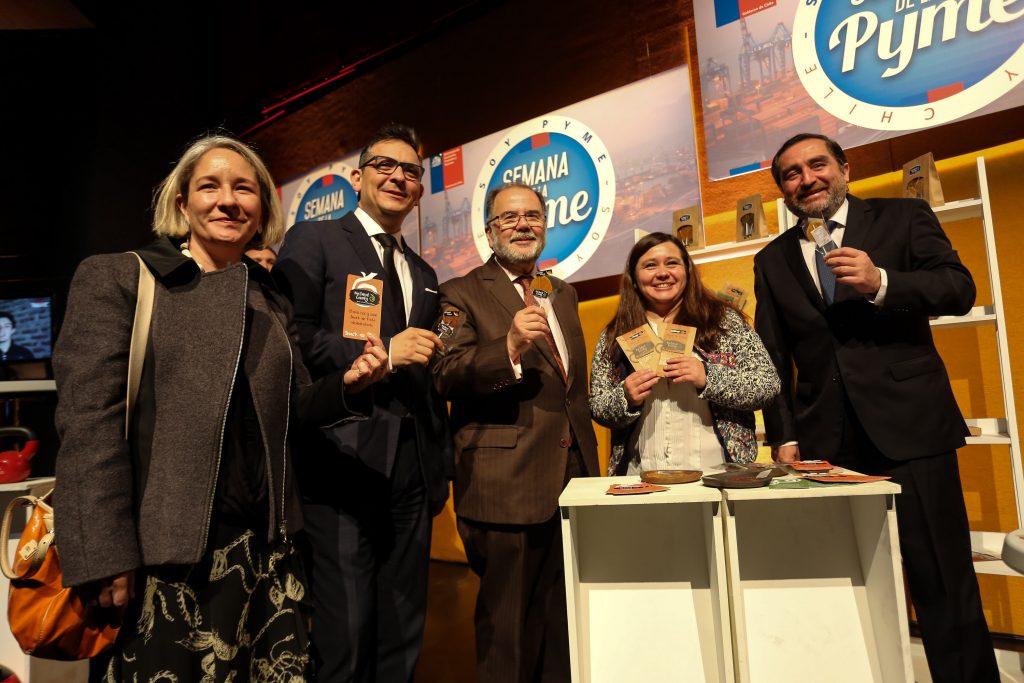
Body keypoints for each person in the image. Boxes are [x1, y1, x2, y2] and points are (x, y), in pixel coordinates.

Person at [52, 135, 390, 681]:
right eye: (210, 186)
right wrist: (105, 553)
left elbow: (294, 408)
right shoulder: (119, 277)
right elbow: (89, 428)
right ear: (182, 203)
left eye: (244, 189)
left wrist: (348, 387)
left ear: (262, 208)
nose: (228, 200)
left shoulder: (270, 295)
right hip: (164, 562)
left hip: (267, 557)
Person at [753, 132, 999, 682]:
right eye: (791, 173)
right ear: (783, 190)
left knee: (941, 578)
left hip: (912, 429)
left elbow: (958, 289)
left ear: (845, 169)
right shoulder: (771, 259)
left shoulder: (903, 217)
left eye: (817, 164)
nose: (807, 179)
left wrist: (882, 281)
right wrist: (783, 435)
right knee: (848, 582)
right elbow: (773, 356)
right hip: (826, 444)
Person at [274, 124, 453, 683]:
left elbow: (425, 370)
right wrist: (383, 353)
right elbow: (295, 338)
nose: (398, 177)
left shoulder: (424, 274)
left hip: (412, 469)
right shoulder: (315, 239)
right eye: (384, 166)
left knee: (403, 629)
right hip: (342, 461)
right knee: (345, 633)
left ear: (420, 189)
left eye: (411, 171)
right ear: (357, 177)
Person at [432, 182, 599, 683]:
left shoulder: (561, 291)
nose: (523, 225)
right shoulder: (456, 294)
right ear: (489, 232)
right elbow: (443, 372)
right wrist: (506, 347)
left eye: (533, 216)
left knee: (561, 624)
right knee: (508, 634)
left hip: (572, 479)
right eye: (509, 218)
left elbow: (570, 388)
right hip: (505, 484)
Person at [590, 232, 779, 475]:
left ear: (687, 271)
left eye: (672, 263)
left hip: (718, 473)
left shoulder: (724, 322)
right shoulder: (614, 335)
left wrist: (708, 377)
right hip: (641, 476)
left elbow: (767, 385)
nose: (662, 273)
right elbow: (598, 406)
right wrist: (625, 397)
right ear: (634, 278)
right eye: (650, 265)